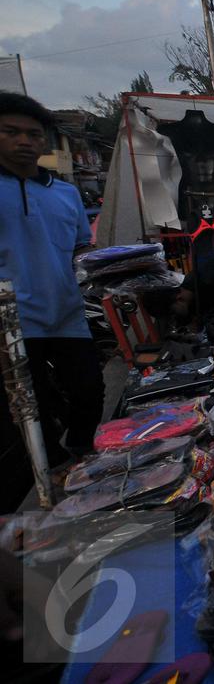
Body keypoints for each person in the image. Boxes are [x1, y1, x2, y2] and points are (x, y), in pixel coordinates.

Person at [0, 92, 105, 505]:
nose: (24, 141)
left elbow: (81, 251)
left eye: (33, 134)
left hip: (65, 310)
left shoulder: (65, 194)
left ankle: (77, 455)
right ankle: (51, 472)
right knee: (29, 406)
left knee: (89, 391)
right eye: (11, 133)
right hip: (10, 321)